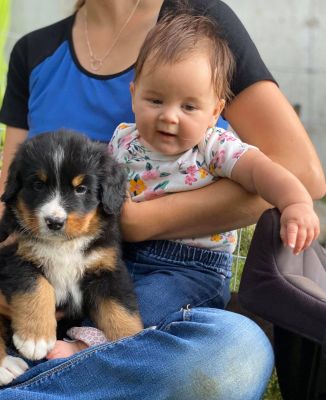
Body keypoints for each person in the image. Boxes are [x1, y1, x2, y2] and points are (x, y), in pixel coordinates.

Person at [0, 0, 324, 398]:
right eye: (155, 102)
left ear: (215, 109)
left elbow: (299, 173)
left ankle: (57, 371)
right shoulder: (38, 56)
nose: (170, 116)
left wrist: (141, 221)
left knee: (235, 348)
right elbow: (10, 195)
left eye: (188, 106)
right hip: (50, 285)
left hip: (176, 274)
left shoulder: (199, 23)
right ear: (133, 93)